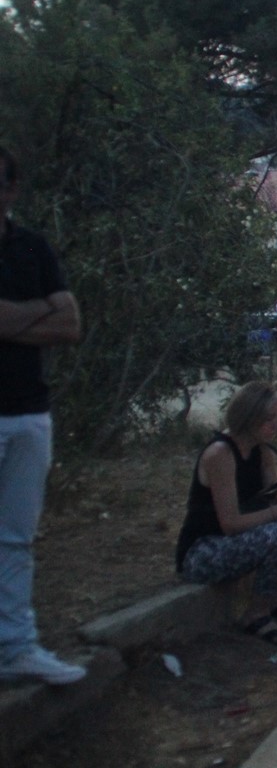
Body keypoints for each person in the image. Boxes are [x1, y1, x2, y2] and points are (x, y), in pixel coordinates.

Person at [0, 145, 88, 685]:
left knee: (16, 539)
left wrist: (9, 318)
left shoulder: (32, 248)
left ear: (10, 191)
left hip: (29, 412)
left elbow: (71, 324)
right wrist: (39, 314)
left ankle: (16, 646)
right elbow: (54, 317)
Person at [174, 381, 277, 646]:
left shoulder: (262, 449)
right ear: (248, 418)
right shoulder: (221, 454)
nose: (276, 425)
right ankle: (255, 613)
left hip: (245, 536)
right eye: (269, 419)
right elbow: (231, 524)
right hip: (205, 549)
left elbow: (274, 502)